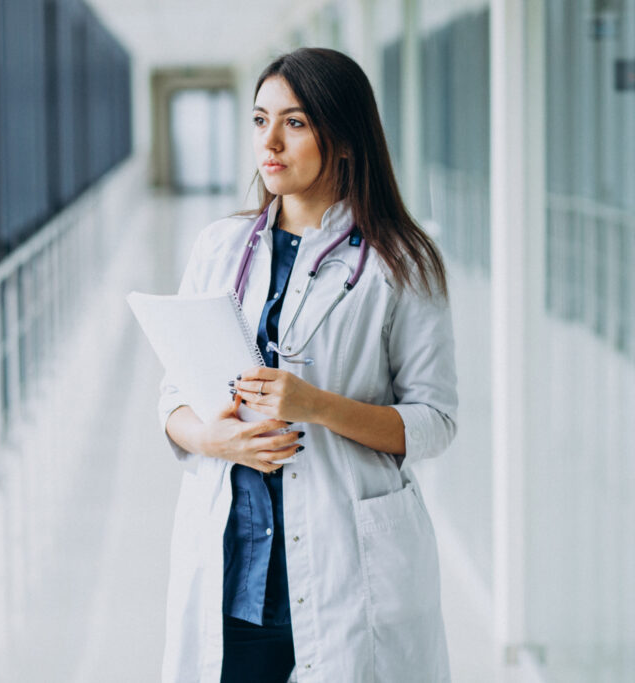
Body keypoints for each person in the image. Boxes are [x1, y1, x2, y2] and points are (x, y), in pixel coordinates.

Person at [156, 47, 458, 683]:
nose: (270, 141)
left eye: (294, 123)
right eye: (261, 120)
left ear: (344, 138)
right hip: (234, 568)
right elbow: (172, 400)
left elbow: (434, 421)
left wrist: (314, 405)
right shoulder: (219, 247)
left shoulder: (402, 261)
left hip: (349, 564)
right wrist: (212, 437)